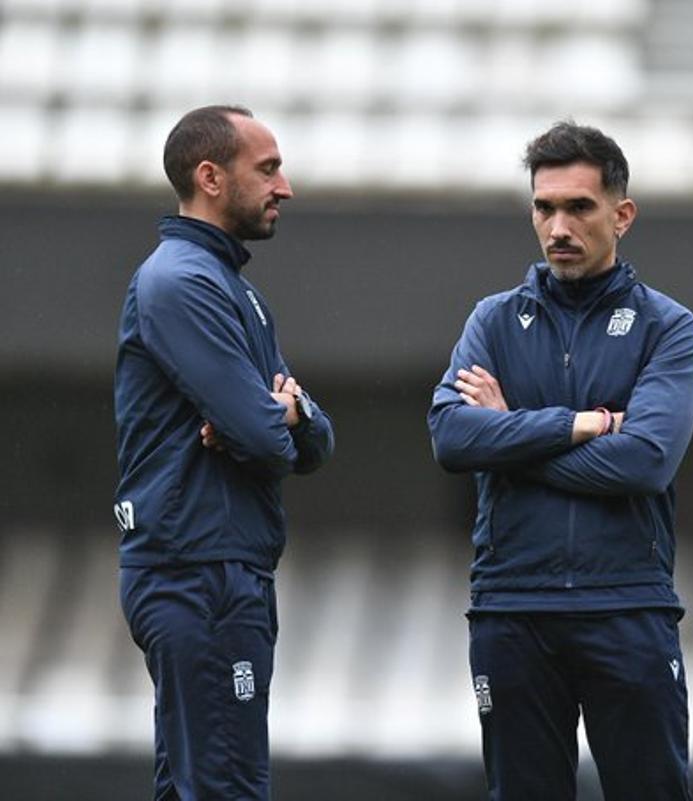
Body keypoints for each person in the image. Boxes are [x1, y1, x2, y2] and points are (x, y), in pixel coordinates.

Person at [428, 121, 693, 801]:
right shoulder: (491, 320)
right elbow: (452, 439)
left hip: (627, 604)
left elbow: (642, 462)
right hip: (511, 607)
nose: (558, 226)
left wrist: (510, 437)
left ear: (622, 214)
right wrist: (580, 425)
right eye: (544, 207)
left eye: (578, 207)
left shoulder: (667, 326)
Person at [114, 105, 334, 801]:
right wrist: (272, 421)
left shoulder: (234, 288)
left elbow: (309, 435)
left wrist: (284, 414)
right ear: (210, 177)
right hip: (197, 571)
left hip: (218, 568)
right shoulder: (182, 282)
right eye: (267, 169)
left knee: (198, 787)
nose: (285, 186)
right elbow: (270, 441)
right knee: (227, 788)